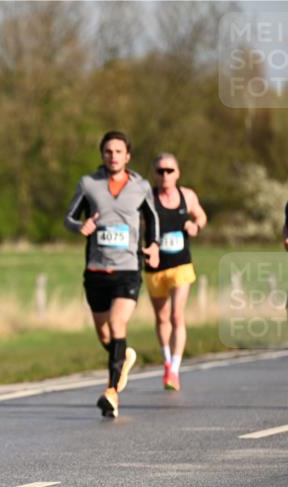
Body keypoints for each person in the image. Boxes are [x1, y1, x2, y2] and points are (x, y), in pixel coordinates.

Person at [65, 130, 160, 418]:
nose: (113, 156)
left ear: (127, 156)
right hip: (96, 269)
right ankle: (124, 358)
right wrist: (79, 227)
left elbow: (152, 219)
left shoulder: (140, 186)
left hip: (128, 269)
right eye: (108, 151)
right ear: (102, 155)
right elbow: (69, 217)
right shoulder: (88, 184)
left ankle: (111, 393)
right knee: (105, 334)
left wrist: (153, 246)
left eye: (119, 151)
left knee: (118, 324)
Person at [144, 153, 207, 391]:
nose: (165, 175)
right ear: (154, 174)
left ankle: (175, 370)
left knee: (176, 316)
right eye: (160, 171)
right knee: (161, 317)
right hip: (155, 268)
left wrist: (195, 224)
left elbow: (201, 215)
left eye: (169, 171)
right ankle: (167, 360)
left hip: (181, 265)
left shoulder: (187, 196)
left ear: (177, 173)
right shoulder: (147, 197)